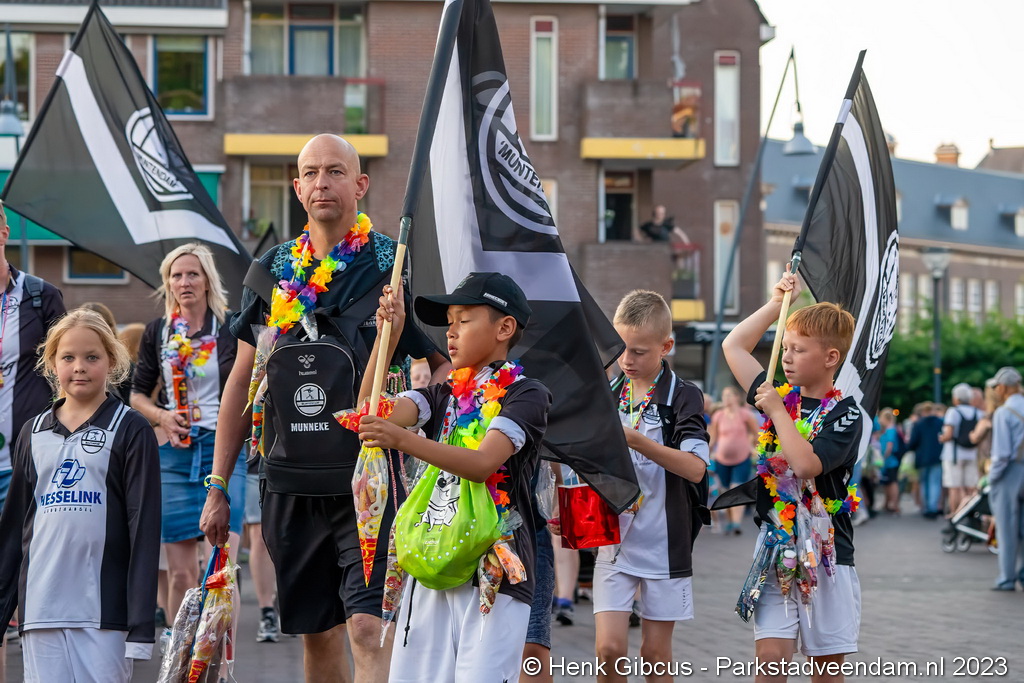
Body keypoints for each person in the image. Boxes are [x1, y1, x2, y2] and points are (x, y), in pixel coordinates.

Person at [200, 134, 444, 683]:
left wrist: (413, 426)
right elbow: (241, 382)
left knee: (368, 627)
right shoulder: (271, 269)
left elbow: (445, 366)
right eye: (310, 173)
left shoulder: (393, 263)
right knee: (319, 634)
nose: (321, 183)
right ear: (296, 187)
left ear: (360, 184)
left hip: (370, 480)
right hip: (289, 482)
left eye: (335, 171)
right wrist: (218, 485)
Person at [354, 272, 550, 682]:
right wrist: (389, 335)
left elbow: (482, 463)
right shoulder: (442, 393)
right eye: (448, 322)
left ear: (504, 328)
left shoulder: (526, 393)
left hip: (494, 572)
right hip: (432, 562)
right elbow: (368, 413)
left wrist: (401, 439)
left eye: (464, 319)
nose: (450, 332)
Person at [0, 309, 160, 681]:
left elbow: (144, 528)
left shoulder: (131, 428)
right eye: (68, 357)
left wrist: (140, 624)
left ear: (112, 360)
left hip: (105, 614)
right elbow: (13, 531)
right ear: (52, 364)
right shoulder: (32, 432)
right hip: (40, 610)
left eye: (92, 357)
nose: (79, 367)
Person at [722, 268, 864, 683]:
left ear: (830, 358)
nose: (785, 357)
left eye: (798, 350)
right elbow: (734, 346)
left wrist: (776, 411)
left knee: (827, 672)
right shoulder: (778, 395)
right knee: (770, 663)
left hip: (828, 556)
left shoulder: (845, 414)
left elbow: (806, 465)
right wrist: (775, 303)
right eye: (784, 347)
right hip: (777, 547)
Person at [130, 243, 248, 645]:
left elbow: (249, 384)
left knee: (222, 566)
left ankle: (219, 658)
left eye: (192, 274)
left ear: (207, 280)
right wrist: (162, 416)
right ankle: (181, 655)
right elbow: (137, 394)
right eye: (176, 275)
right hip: (175, 453)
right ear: (168, 283)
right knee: (180, 572)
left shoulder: (232, 327)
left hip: (223, 450)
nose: (184, 282)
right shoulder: (158, 331)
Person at [594, 290, 708, 683]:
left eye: (638, 352)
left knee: (655, 657)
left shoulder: (683, 395)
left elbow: (695, 469)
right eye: (620, 349)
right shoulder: (607, 393)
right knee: (608, 651)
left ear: (666, 347)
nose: (626, 360)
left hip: (665, 543)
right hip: (614, 541)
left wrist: (639, 441)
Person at [0, 200, 66, 679]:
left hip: (27, 463)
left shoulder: (40, 296)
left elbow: (68, 374)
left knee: (32, 581)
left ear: (4, 232)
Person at [986, 367, 1024, 591]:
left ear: (1003, 387)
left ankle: (1007, 578)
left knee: (1006, 528)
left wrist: (992, 477)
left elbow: (1001, 454)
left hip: (1010, 473)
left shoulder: (1004, 412)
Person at [710, 385, 759, 535]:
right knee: (725, 491)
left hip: (742, 458)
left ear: (737, 397)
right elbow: (713, 437)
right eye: (724, 395)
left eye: (729, 395)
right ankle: (730, 521)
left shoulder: (745, 414)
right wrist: (707, 453)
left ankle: (736, 523)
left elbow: (756, 434)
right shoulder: (718, 415)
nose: (726, 398)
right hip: (722, 459)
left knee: (736, 488)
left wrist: (754, 448)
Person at [939, 383, 980, 517]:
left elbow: (948, 434)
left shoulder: (953, 412)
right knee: (970, 487)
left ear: (956, 398)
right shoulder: (977, 412)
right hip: (972, 453)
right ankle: (970, 514)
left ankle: (955, 514)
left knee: (954, 487)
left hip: (954, 454)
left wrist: (942, 438)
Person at [906, 402, 944, 518]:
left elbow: (912, 443)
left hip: (922, 458)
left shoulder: (918, 424)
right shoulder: (940, 422)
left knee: (924, 483)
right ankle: (933, 507)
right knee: (935, 483)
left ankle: (926, 508)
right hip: (937, 457)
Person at [876, 408, 902, 514]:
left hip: (890, 461)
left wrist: (883, 457)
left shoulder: (890, 429)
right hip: (889, 461)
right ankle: (888, 503)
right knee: (888, 483)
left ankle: (893, 504)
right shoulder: (890, 429)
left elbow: (889, 446)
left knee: (892, 482)